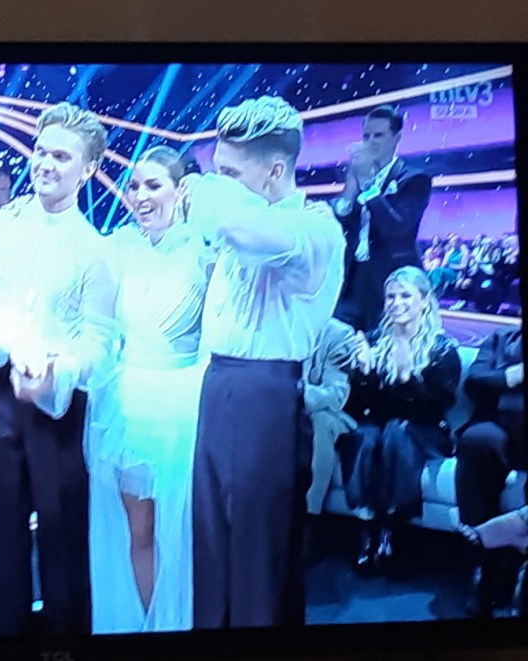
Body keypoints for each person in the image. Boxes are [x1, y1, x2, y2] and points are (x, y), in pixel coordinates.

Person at [185, 95, 345, 628]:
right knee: (212, 548)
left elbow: (253, 234)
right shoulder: (237, 225)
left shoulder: (315, 228)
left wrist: (208, 197)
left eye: (231, 173)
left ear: (275, 170)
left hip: (265, 398)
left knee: (258, 556)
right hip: (218, 387)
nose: (219, 183)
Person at [0, 101, 116, 636]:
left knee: (63, 537)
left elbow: (98, 345)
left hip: (57, 409)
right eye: (41, 151)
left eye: (61, 156)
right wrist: (10, 340)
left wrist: (57, 370)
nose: (45, 164)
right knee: (1, 539)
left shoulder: (96, 250)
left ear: (88, 168)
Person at [86, 146, 208, 633]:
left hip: (186, 409)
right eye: (134, 186)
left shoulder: (206, 250)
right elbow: (95, 327)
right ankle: (148, 630)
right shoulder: (115, 249)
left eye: (153, 185)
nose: (140, 195)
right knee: (140, 530)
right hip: (129, 408)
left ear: (181, 190)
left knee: (184, 532)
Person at [339, 266, 461, 571]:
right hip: (380, 426)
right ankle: (366, 525)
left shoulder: (443, 349)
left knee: (396, 431)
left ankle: (389, 529)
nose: (396, 303)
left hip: (425, 429)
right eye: (391, 296)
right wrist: (363, 373)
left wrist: (408, 376)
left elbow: (438, 406)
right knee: (363, 436)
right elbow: (358, 407)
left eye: (405, 296)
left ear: (424, 301)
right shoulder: (374, 341)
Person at [333, 105, 431, 332]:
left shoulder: (415, 178)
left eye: (378, 135)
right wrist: (351, 184)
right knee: (341, 339)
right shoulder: (359, 174)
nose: (370, 142)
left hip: (390, 282)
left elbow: (396, 227)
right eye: (366, 136)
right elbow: (342, 221)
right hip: (353, 279)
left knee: (384, 343)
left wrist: (367, 185)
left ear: (396, 137)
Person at [455, 325, 524, 616]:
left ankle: (516, 568)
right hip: (498, 425)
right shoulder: (501, 339)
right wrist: (512, 376)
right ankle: (484, 562)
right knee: (476, 440)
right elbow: (475, 381)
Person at [302, 317, 358, 515]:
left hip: (333, 415)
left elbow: (336, 395)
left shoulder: (338, 334)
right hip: (279, 410)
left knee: (321, 420)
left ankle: (310, 513)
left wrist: (293, 392)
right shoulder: (276, 329)